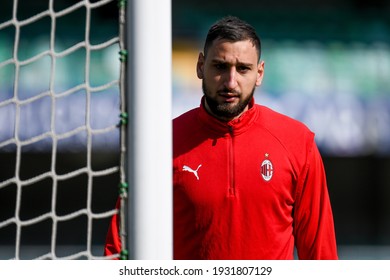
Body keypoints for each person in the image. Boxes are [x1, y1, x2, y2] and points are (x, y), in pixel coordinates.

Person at [104, 15, 338, 260]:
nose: (230, 82)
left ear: (259, 73)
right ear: (200, 66)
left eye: (243, 69)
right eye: (220, 66)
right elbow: (120, 248)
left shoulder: (297, 142)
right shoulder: (161, 144)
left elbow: (321, 254)